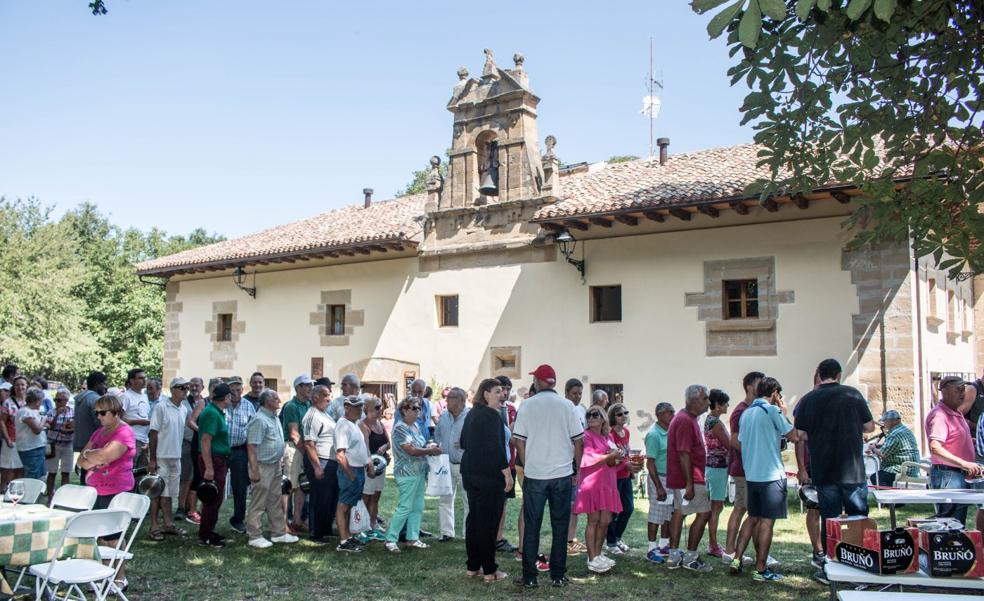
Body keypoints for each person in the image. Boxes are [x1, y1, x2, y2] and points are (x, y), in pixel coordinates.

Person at [512, 364, 584, 589]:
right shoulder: (567, 405)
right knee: (560, 526)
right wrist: (577, 469)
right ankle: (558, 575)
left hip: (535, 475)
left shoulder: (528, 405)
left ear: (539, 382)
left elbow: (519, 440)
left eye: (535, 379)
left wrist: (527, 462)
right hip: (562, 474)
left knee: (532, 526)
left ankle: (530, 576)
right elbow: (578, 441)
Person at [794, 358, 874, 550]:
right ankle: (861, 555)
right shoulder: (853, 394)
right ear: (839, 375)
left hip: (824, 469)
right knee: (858, 518)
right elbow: (869, 426)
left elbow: (800, 434)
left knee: (830, 520)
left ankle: (831, 558)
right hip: (852, 470)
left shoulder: (808, 399)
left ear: (819, 376)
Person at [731, 377, 800, 582]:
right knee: (767, 523)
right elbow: (794, 435)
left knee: (752, 518)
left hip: (752, 474)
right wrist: (784, 413)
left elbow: (742, 441)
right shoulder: (772, 410)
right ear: (775, 394)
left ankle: (737, 558)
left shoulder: (746, 413)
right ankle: (761, 568)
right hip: (771, 475)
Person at [77, 394, 137, 591]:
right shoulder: (98, 433)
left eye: (103, 413)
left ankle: (120, 578)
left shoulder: (124, 432)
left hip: (116, 490)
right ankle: (101, 576)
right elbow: (81, 461)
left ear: (116, 413)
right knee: (97, 536)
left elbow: (105, 455)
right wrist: (92, 457)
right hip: (95, 490)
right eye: (97, 413)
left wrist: (94, 456)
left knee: (113, 537)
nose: (99, 417)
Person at [460, 378, 512, 582]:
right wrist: (506, 473)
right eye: (497, 391)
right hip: (489, 477)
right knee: (488, 523)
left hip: (471, 473)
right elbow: (497, 449)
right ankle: (490, 570)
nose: (502, 394)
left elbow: (463, 442)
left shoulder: (472, 414)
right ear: (486, 394)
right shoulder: (493, 416)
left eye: (503, 391)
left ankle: (473, 566)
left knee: (474, 520)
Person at [665, 384, 713, 573]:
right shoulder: (685, 420)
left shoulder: (687, 418)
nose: (708, 402)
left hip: (686, 477)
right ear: (693, 401)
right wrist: (690, 483)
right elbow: (684, 453)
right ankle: (690, 556)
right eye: (705, 398)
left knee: (679, 512)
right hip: (689, 477)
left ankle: (674, 555)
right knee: (704, 513)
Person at [385, 397, 442, 552]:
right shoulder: (400, 428)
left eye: (419, 408)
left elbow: (420, 445)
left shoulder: (416, 426)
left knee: (417, 506)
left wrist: (430, 445)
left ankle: (412, 538)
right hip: (406, 472)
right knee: (405, 506)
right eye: (414, 408)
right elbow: (410, 450)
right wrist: (430, 450)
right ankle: (390, 539)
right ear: (404, 410)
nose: (418, 411)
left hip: (419, 471)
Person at [926, 375, 983, 526]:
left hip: (955, 475)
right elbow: (935, 448)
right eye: (958, 389)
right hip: (948, 475)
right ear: (944, 391)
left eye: (963, 388)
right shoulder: (940, 415)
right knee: (950, 526)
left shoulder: (956, 412)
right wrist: (965, 463)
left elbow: (951, 439)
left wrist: (970, 443)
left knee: (957, 525)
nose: (963, 392)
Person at [246, 389, 297, 548]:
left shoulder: (273, 417)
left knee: (275, 500)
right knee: (259, 502)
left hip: (274, 465)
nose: (279, 401)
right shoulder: (259, 420)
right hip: (262, 466)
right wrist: (254, 470)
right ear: (266, 401)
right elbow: (251, 446)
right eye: (275, 398)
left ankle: (278, 533)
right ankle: (254, 535)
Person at [575, 406, 623, 573]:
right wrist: (611, 456)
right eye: (589, 415)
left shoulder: (607, 436)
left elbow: (613, 461)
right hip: (592, 483)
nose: (591, 417)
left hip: (608, 483)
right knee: (593, 520)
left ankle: (598, 554)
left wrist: (618, 457)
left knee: (606, 521)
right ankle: (592, 557)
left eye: (596, 415)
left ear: (603, 418)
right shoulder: (586, 436)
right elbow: (588, 458)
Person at [723, 371, 764, 565]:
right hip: (743, 468)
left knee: (752, 511)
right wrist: (754, 454)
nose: (763, 386)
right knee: (740, 508)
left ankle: (755, 552)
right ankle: (729, 550)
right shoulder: (741, 411)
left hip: (753, 469)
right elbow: (734, 439)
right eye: (759, 383)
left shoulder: (756, 408)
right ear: (749, 386)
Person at [147, 377, 191, 540]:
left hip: (176, 457)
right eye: (181, 387)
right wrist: (152, 459)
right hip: (161, 456)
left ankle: (168, 523)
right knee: (157, 492)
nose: (185, 390)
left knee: (169, 493)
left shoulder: (183, 409)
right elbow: (153, 433)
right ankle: (153, 526)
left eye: (187, 387)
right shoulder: (161, 407)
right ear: (172, 389)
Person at [301, 384, 338, 544]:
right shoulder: (311, 416)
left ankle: (326, 528)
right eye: (325, 395)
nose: (329, 398)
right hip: (320, 460)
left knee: (330, 498)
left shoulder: (325, 414)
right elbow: (309, 443)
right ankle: (316, 533)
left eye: (329, 395)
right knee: (318, 498)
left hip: (331, 461)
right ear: (315, 397)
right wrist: (317, 466)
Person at [197, 383, 233, 547]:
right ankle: (205, 534)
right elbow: (205, 441)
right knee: (212, 497)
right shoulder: (211, 413)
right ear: (226, 397)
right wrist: (209, 467)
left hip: (219, 458)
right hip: (213, 459)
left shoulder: (216, 412)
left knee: (216, 498)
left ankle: (209, 530)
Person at [335, 395, 371, 552]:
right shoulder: (343, 425)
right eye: (355, 407)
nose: (359, 410)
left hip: (357, 469)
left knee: (349, 505)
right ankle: (343, 541)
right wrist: (350, 475)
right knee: (343, 505)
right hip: (350, 470)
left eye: (360, 407)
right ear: (347, 407)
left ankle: (348, 537)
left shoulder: (353, 424)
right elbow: (340, 454)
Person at [435, 387, 469, 542]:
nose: (447, 400)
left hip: (465, 464)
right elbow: (437, 436)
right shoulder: (444, 417)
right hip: (446, 463)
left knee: (469, 500)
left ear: (461, 401)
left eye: (451, 397)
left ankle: (468, 534)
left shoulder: (470, 417)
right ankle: (447, 532)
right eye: (447, 397)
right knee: (445, 499)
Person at [281, 374, 314, 534]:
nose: (310, 388)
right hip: (294, 449)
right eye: (306, 385)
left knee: (301, 486)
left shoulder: (308, 405)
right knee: (289, 487)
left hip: (304, 448)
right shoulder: (291, 406)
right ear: (298, 387)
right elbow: (294, 434)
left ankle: (297, 520)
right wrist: (307, 453)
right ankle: (283, 523)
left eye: (310, 385)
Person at [644, 402, 675, 563]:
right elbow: (650, 463)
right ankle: (651, 548)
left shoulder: (669, 432)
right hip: (659, 478)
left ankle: (664, 545)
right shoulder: (654, 435)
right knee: (656, 513)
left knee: (667, 513)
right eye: (670, 412)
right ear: (660, 415)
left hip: (670, 478)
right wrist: (659, 487)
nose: (673, 415)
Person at [225, 376, 256, 534]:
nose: (235, 393)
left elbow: (252, 431)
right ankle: (207, 516)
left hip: (239, 450)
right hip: (222, 450)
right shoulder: (222, 405)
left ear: (242, 390)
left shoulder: (249, 406)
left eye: (238, 390)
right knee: (213, 484)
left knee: (240, 487)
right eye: (232, 390)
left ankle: (238, 519)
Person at [703, 389, 731, 558]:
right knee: (716, 507)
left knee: (715, 507)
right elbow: (729, 444)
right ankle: (713, 544)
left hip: (712, 467)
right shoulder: (717, 424)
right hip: (718, 468)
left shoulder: (710, 420)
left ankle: (713, 543)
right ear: (719, 405)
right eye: (726, 402)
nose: (728, 405)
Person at [605, 402, 635, 556]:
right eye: (619, 414)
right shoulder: (610, 434)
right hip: (614, 476)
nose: (624, 416)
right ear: (613, 417)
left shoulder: (627, 432)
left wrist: (632, 469)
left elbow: (626, 453)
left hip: (625, 476)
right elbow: (613, 456)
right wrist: (626, 465)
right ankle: (610, 542)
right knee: (613, 510)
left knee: (628, 508)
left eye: (625, 413)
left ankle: (617, 537)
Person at [360, 396, 390, 540]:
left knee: (376, 497)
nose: (380, 410)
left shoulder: (380, 424)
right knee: (366, 496)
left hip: (381, 466)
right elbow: (365, 447)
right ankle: (363, 526)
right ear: (369, 409)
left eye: (380, 407)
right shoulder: (363, 425)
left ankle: (373, 525)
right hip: (369, 467)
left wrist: (384, 446)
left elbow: (388, 442)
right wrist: (370, 465)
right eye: (377, 407)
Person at [179, 376, 207, 525]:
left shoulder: (206, 403)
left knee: (199, 476)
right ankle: (181, 507)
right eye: (192, 385)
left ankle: (196, 508)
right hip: (186, 442)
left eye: (197, 385)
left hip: (201, 445)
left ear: (203, 387)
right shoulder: (184, 402)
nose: (194, 388)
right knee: (186, 477)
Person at [866, 409, 919, 487]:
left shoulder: (894, 434)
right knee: (879, 475)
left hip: (901, 469)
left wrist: (873, 448)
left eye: (885, 421)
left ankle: (888, 495)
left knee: (876, 477)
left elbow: (883, 454)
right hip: (912, 468)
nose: (884, 424)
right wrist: (878, 446)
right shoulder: (905, 430)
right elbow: (892, 447)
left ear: (892, 421)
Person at [565, 378, 588, 556]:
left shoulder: (581, 410)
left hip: (580, 461)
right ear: (566, 393)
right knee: (570, 505)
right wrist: (574, 468)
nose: (577, 397)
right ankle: (567, 540)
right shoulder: (564, 408)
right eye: (574, 393)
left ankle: (572, 539)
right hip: (569, 463)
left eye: (580, 393)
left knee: (576, 506)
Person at [73, 371, 107, 486]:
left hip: (82, 441)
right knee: (91, 475)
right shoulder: (95, 400)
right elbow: (101, 423)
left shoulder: (81, 398)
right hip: (93, 443)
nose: (105, 387)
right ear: (97, 384)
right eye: (104, 383)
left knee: (85, 472)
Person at [44, 387, 75, 494]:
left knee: (66, 473)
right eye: (55, 400)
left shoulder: (72, 412)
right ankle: (50, 497)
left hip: (68, 445)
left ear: (66, 401)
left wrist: (69, 430)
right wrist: (57, 415)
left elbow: (74, 427)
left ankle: (63, 497)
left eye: (59, 400)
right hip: (52, 444)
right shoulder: (51, 412)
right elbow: (50, 427)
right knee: (51, 472)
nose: (56, 402)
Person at [121, 368, 151, 470]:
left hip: (144, 439)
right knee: (129, 469)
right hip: (131, 438)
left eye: (144, 378)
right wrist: (138, 422)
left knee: (141, 472)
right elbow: (119, 418)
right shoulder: (126, 396)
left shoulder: (144, 396)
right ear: (132, 381)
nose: (144, 380)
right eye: (140, 378)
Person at [15, 387, 48, 480]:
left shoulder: (32, 412)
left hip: (37, 448)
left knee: (40, 476)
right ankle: (30, 494)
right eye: (41, 400)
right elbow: (37, 430)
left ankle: (36, 493)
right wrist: (43, 419)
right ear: (37, 401)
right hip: (31, 450)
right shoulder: (25, 412)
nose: (42, 403)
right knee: (32, 477)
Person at [0, 376, 28, 484]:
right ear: (14, 387)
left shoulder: (31, 402)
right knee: (9, 469)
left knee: (22, 469)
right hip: (12, 440)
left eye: (22, 384)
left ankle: (18, 493)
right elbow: (2, 421)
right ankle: (6, 493)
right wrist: (7, 439)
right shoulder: (8, 402)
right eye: (17, 385)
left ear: (27, 386)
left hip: (26, 442)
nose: (20, 387)